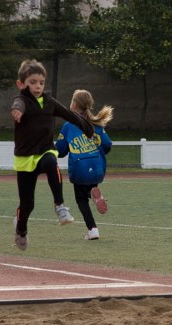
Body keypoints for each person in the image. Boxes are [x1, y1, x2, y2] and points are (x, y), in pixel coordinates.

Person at [11, 59, 94, 251]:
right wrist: (16, 111)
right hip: (25, 158)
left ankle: (60, 206)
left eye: (41, 82)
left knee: (51, 160)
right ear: (21, 84)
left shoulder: (48, 102)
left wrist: (88, 129)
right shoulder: (21, 100)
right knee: (27, 204)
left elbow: (69, 114)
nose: (38, 86)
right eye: (32, 82)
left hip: (45, 150)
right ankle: (21, 229)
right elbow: (18, 104)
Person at [56, 89, 114, 241]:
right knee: (88, 188)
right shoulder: (97, 125)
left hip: (79, 168)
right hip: (97, 167)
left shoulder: (68, 126)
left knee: (80, 199)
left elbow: (60, 151)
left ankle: (92, 229)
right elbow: (107, 145)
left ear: (74, 104)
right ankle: (94, 195)